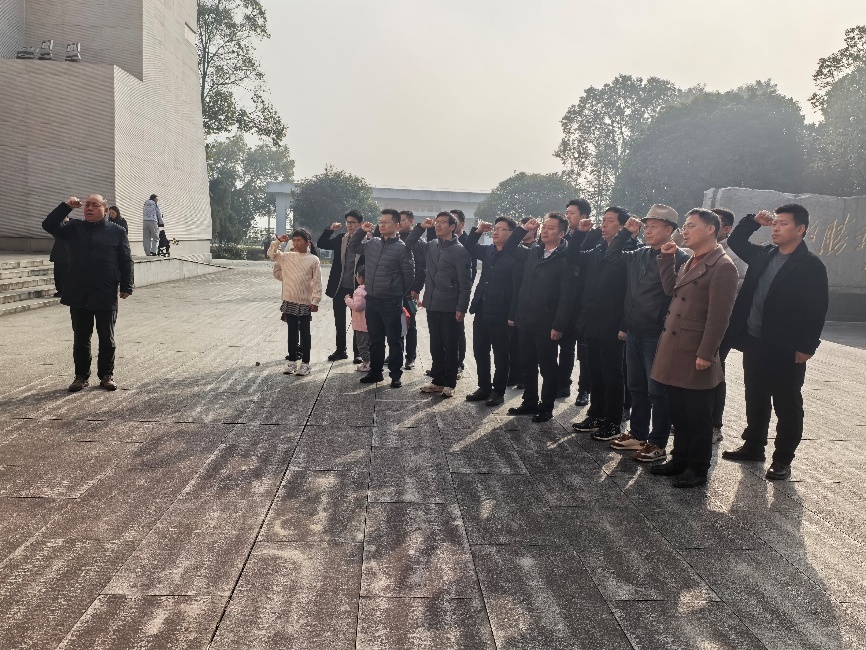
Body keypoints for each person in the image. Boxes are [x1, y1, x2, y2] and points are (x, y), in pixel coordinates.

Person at [721, 205, 828, 481]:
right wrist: (753, 221)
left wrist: (807, 347)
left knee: (786, 403)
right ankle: (754, 446)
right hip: (754, 340)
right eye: (775, 223)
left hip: (786, 347)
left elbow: (817, 309)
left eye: (783, 223)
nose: (776, 228)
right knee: (755, 396)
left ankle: (782, 459)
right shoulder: (765, 254)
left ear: (800, 229)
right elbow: (736, 241)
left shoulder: (810, 265)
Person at [649, 209, 738, 488]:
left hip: (695, 349)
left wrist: (706, 353)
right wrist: (666, 259)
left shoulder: (722, 266)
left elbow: (719, 317)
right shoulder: (692, 260)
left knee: (698, 415)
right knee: (679, 410)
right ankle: (679, 459)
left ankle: (698, 468)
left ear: (711, 229)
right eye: (685, 226)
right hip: (676, 346)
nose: (684, 231)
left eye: (691, 226)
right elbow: (671, 290)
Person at [604, 205, 688, 462]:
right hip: (634, 330)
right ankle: (638, 434)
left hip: (657, 333)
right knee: (636, 386)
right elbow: (611, 258)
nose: (648, 231)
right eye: (646, 226)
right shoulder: (639, 253)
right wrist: (625, 233)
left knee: (657, 390)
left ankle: (657, 442)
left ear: (669, 229)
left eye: (654, 226)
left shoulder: (680, 257)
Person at [42, 195, 134, 391]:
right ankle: (81, 376)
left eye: (95, 205)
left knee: (107, 338)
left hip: (105, 291)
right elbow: (48, 224)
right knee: (81, 338)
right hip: (79, 291)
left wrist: (127, 285)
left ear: (105, 210)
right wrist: (66, 206)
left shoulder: (117, 231)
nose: (89, 208)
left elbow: (125, 260)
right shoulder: (74, 228)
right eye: (87, 205)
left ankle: (106, 375)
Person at [569, 206, 634, 442]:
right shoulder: (596, 249)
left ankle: (613, 421)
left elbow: (630, 291)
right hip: (591, 320)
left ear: (623, 226)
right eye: (603, 220)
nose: (604, 225)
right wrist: (580, 234)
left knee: (613, 373)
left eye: (610, 221)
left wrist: (624, 324)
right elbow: (572, 257)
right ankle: (595, 414)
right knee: (593, 370)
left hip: (613, 321)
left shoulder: (630, 252)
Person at [507, 213, 575, 422]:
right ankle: (529, 401)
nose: (545, 231)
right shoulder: (533, 252)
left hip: (547, 322)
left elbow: (567, 295)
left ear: (562, 234)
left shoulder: (566, 258)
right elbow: (509, 247)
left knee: (547, 367)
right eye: (544, 227)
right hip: (526, 318)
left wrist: (559, 325)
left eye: (551, 228)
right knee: (526, 364)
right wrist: (523, 229)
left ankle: (546, 407)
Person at [406, 213, 471, 398]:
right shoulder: (431, 246)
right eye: (437, 222)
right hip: (432, 304)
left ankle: (449, 382)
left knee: (451, 345)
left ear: (453, 227)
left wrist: (461, 308)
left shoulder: (460, 251)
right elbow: (409, 243)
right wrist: (421, 227)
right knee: (436, 344)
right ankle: (438, 380)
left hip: (450, 306)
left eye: (443, 223)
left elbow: (465, 283)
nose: (438, 225)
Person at [347, 209, 414, 388]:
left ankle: (395, 375)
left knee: (394, 340)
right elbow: (352, 246)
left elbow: (409, 277)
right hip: (372, 299)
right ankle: (375, 372)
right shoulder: (372, 243)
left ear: (397, 225)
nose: (382, 225)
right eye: (380, 222)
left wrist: (395, 292)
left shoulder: (402, 248)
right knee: (375, 339)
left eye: (386, 222)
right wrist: (361, 231)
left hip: (391, 301)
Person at [463, 216, 519, 406]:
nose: (496, 232)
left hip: (501, 311)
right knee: (480, 350)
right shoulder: (488, 251)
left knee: (501, 354)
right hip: (482, 307)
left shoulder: (515, 255)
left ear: (511, 234)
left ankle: (498, 391)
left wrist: (512, 314)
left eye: (501, 229)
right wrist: (478, 231)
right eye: (495, 228)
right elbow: (469, 245)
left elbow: (517, 287)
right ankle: (484, 387)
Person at [709, 207, 749, 443]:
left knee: (715, 370)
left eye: (715, 223)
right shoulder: (699, 251)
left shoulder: (733, 256)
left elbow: (735, 294)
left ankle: (714, 425)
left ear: (727, 229)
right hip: (697, 322)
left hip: (720, 324)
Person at [559, 198, 600, 401]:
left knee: (584, 349)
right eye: (566, 212)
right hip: (567, 300)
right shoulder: (564, 237)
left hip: (585, 301)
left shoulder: (596, 237)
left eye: (572, 213)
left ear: (583, 216)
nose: (567, 216)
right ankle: (563, 385)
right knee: (565, 346)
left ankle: (584, 390)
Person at [268, 229, 322, 376]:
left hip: (305, 302)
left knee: (305, 333)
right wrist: (278, 241)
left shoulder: (313, 260)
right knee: (291, 332)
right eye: (294, 240)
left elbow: (317, 282)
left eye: (300, 240)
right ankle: (292, 361)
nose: (296, 243)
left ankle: (305, 363)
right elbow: (271, 254)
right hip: (289, 299)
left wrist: (316, 300)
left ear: (308, 242)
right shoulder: (286, 256)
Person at [317, 210, 365, 362]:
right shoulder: (341, 239)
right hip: (340, 286)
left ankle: (358, 352)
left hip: (357, 288)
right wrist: (330, 230)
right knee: (339, 321)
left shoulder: (366, 241)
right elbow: (321, 244)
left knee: (358, 321)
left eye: (353, 223)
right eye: (347, 222)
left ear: (360, 224)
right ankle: (340, 350)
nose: (349, 225)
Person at [507, 217, 539, 390]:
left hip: (529, 301)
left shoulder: (536, 249)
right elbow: (510, 245)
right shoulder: (519, 249)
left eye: (527, 228)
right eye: (522, 228)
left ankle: (524, 377)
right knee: (513, 343)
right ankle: (514, 374)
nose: (524, 230)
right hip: (515, 297)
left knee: (526, 346)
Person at [398, 210, 426, 369]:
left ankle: (411, 357)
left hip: (409, 291)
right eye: (398, 220)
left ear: (411, 221)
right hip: (394, 289)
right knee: (394, 323)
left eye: (403, 220)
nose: (400, 223)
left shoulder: (418, 242)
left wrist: (416, 288)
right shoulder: (394, 238)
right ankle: (396, 352)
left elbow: (421, 268)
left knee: (410, 324)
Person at [451, 209, 475, 377]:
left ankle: (458, 364)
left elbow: (470, 273)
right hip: (443, 294)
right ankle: (444, 364)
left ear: (462, 224)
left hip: (458, 293)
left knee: (457, 330)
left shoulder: (467, 242)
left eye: (454, 220)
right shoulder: (443, 241)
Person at [344, 266, 371, 373]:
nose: (356, 278)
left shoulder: (360, 291)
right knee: (369, 344)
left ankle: (366, 363)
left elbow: (357, 306)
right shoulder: (371, 289)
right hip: (369, 323)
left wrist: (348, 299)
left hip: (361, 324)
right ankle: (370, 362)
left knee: (361, 345)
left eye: (357, 276)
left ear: (361, 278)